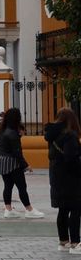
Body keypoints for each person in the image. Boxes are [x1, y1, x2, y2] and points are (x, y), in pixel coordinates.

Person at [44, 107, 81, 251]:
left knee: (63, 210)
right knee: (76, 209)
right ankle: (76, 243)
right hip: (70, 179)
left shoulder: (52, 135)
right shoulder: (69, 135)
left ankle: (63, 242)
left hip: (56, 177)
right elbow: (71, 158)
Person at [0, 107, 44, 219]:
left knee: (7, 186)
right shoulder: (13, 133)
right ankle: (29, 210)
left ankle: (8, 210)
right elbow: (17, 152)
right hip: (13, 163)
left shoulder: (2, 131)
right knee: (22, 186)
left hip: (3, 162)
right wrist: (26, 165)